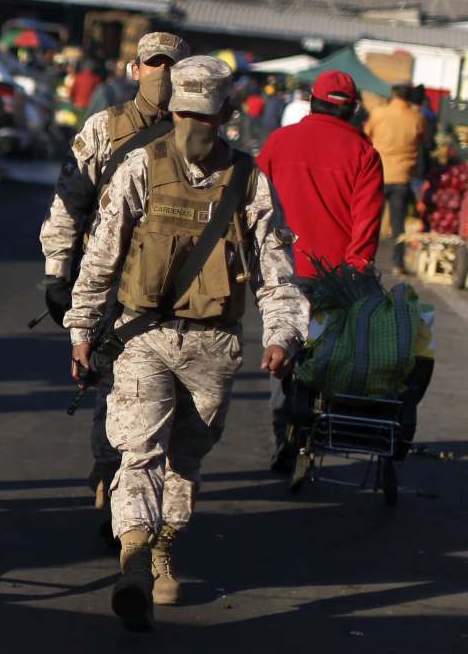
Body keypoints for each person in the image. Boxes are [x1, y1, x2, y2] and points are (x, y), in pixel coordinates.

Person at [65, 55, 306, 630]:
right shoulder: (141, 167)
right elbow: (102, 254)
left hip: (212, 346)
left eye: (204, 115)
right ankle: (137, 562)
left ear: (224, 114)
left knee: (184, 458)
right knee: (141, 452)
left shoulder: (248, 182)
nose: (194, 125)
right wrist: (82, 327)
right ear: (175, 110)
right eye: (187, 113)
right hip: (143, 338)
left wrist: (283, 334)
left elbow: (274, 267)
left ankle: (160, 547)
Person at [39, 31, 189, 541]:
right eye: (154, 64)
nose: (162, 74)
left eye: (172, 66)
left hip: (170, 293)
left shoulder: (197, 135)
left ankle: (129, 495)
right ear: (135, 70)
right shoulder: (104, 127)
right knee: (115, 395)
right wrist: (57, 271)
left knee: (158, 403)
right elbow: (69, 201)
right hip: (109, 286)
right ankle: (112, 477)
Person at [256, 71, 383, 469]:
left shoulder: (279, 141)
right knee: (329, 353)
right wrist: (355, 271)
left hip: (281, 270)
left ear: (312, 101)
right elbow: (367, 223)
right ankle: (315, 425)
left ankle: (284, 432)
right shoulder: (364, 154)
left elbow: (252, 204)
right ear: (353, 110)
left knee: (283, 349)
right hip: (335, 276)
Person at [365, 82, 429, 268]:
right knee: (398, 223)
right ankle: (397, 262)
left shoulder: (378, 113)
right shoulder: (417, 117)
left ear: (393, 94)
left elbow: (367, 135)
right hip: (402, 176)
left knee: (370, 221)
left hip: (377, 173)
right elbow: (423, 141)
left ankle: (364, 259)